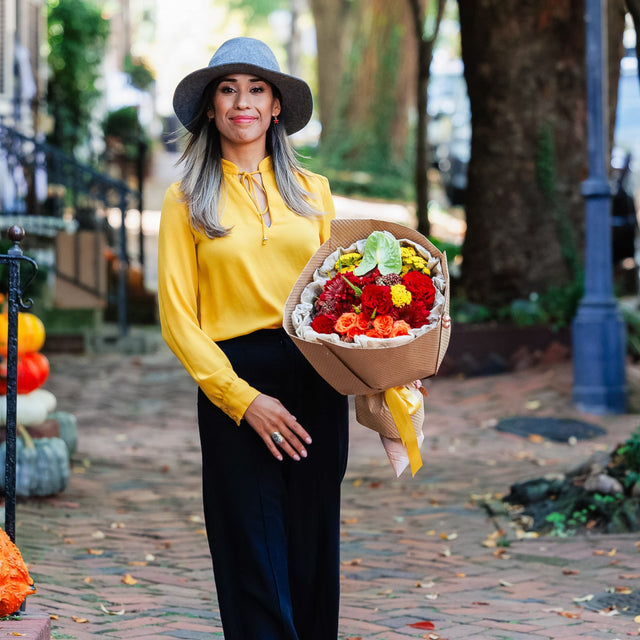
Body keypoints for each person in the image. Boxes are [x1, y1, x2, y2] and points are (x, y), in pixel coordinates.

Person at [157, 37, 349, 640]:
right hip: (234, 381)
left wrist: (382, 363)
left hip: (316, 373)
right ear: (211, 109)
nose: (242, 101)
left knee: (312, 545)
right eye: (227, 89)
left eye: (256, 88)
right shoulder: (185, 198)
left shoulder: (314, 193)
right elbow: (177, 319)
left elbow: (337, 294)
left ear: (275, 108)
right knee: (252, 554)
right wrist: (242, 400)